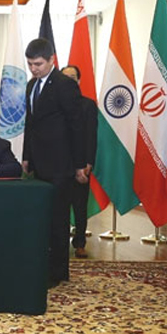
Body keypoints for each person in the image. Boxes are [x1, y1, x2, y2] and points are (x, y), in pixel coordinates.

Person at [22, 39, 90, 288]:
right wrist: (27, 156)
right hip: (39, 162)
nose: (34, 69)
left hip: (61, 163)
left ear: (52, 59)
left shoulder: (64, 84)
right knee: (43, 216)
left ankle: (58, 272)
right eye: (30, 64)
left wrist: (80, 163)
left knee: (58, 219)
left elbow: (76, 125)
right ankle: (44, 265)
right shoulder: (31, 85)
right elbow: (31, 123)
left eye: (38, 64)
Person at [60, 65, 98, 256]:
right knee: (59, 207)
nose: (69, 80)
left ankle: (80, 243)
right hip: (58, 164)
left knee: (80, 206)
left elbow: (91, 135)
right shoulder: (55, 104)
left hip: (80, 163)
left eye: (73, 77)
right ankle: (59, 243)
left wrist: (88, 162)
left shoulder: (88, 105)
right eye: (65, 77)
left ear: (79, 80)